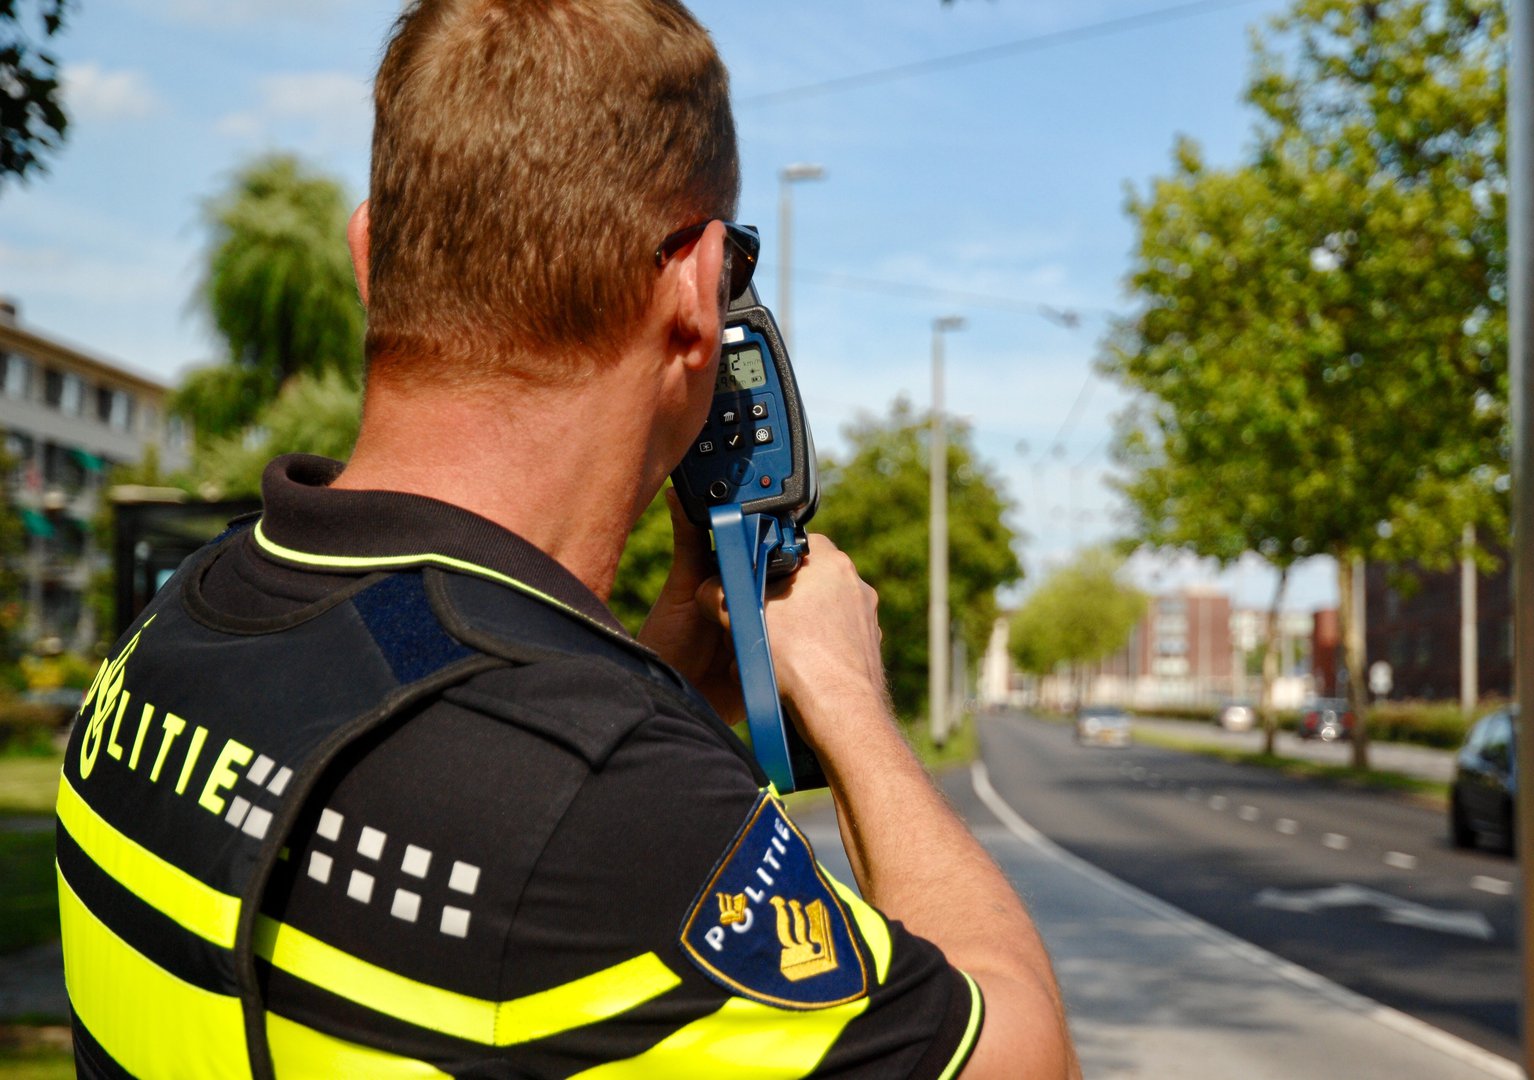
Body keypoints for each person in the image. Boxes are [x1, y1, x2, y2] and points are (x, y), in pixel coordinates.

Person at [55, 1, 1078, 1076]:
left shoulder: (190, 612)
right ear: (696, 290)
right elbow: (1029, 1055)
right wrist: (850, 703)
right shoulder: (606, 801)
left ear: (370, 257)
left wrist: (652, 674)